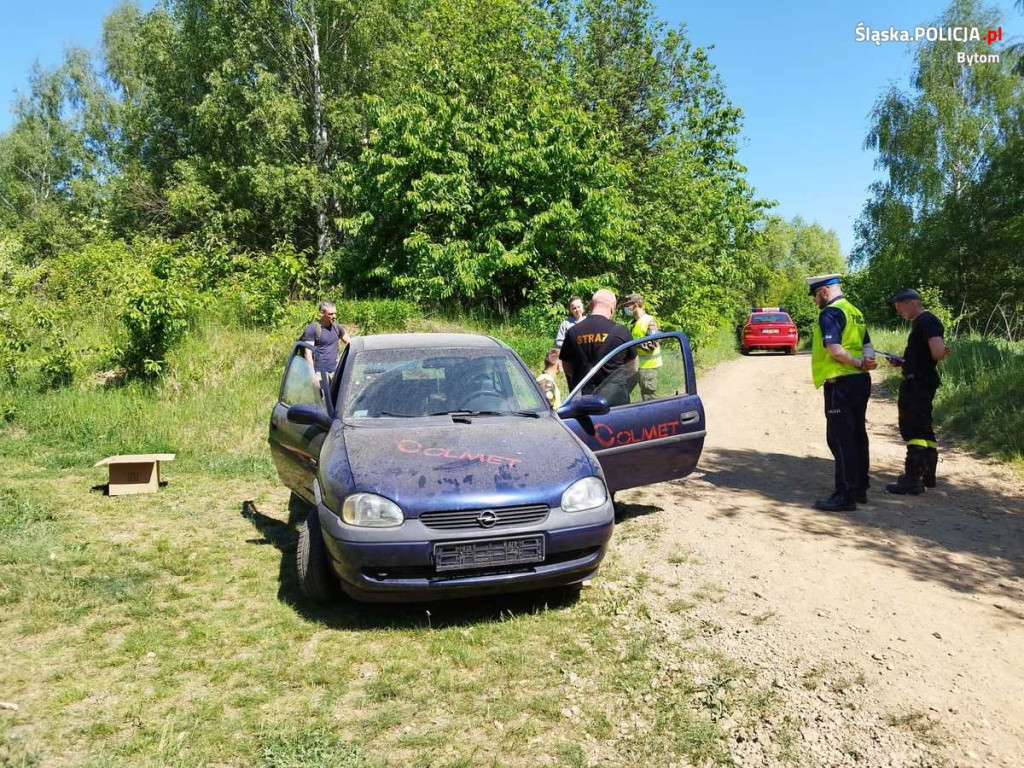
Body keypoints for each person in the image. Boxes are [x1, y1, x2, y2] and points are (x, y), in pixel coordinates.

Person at [806, 273, 878, 512]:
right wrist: (867, 360)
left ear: (825, 292)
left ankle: (845, 494)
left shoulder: (831, 313)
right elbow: (868, 344)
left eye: (815, 296)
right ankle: (860, 489)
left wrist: (858, 362)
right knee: (858, 435)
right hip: (860, 382)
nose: (815, 302)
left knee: (840, 438)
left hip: (841, 383)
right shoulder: (854, 311)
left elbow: (835, 350)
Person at [884, 289, 951, 495]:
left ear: (913, 303)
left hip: (918, 383)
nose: (899, 312)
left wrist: (943, 351)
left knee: (913, 428)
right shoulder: (922, 323)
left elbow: (938, 352)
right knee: (923, 427)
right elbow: (925, 355)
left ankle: (912, 478)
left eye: (900, 307)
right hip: (920, 380)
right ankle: (927, 475)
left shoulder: (928, 321)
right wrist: (903, 361)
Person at [559, 289, 637, 406]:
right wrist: (624, 387)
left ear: (590, 306)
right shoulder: (622, 331)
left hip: (585, 402)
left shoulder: (572, 332)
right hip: (616, 400)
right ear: (612, 308)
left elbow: (567, 367)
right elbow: (633, 367)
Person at [621, 293, 662, 401]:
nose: (625, 308)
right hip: (635, 366)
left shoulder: (650, 321)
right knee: (622, 393)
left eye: (627, 305)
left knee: (649, 398)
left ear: (635, 305)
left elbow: (652, 345)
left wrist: (633, 344)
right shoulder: (633, 323)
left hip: (648, 368)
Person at [300, 301, 351, 377]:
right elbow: (307, 353)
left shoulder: (336, 327)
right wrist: (312, 375)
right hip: (320, 373)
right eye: (330, 314)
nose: (334, 316)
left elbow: (350, 343)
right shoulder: (312, 329)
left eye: (335, 313)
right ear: (322, 313)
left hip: (336, 371)